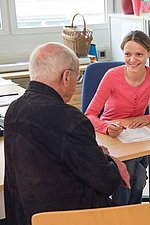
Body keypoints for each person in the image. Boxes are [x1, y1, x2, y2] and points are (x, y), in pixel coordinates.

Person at [4, 42, 130, 225]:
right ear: (66, 76)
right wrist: (110, 161)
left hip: (26, 216)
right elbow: (106, 182)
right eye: (77, 77)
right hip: (72, 217)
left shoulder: (14, 109)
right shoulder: (69, 118)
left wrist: (94, 153)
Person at [85, 30, 150, 205]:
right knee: (136, 174)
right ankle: (127, 217)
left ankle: (126, 217)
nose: (133, 60)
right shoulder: (112, 76)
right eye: (128, 54)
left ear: (149, 53)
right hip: (110, 137)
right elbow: (89, 115)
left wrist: (148, 118)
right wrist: (107, 128)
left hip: (137, 135)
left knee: (136, 174)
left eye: (139, 54)